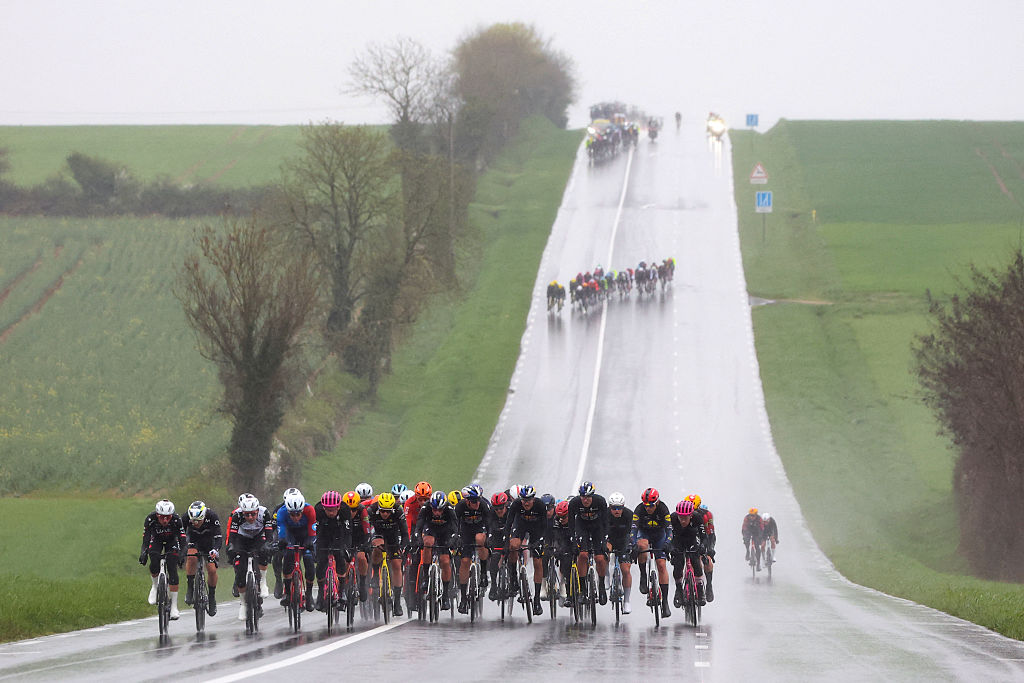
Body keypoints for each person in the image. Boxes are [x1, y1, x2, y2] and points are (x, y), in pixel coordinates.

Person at [226, 494, 274, 620]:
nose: (250, 517)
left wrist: (268, 544)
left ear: (257, 511)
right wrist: (231, 547)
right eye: (247, 515)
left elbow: (269, 533)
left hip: (258, 537)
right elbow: (232, 535)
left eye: (253, 514)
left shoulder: (264, 513)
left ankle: (262, 581)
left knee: (264, 552)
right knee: (240, 574)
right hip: (242, 539)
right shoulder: (237, 515)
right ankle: (243, 603)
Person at [140, 499, 186, 620]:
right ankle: (155, 586)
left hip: (172, 541)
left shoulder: (176, 520)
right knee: (153, 560)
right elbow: (146, 539)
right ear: (157, 515)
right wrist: (143, 552)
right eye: (162, 517)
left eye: (168, 517)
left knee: (172, 568)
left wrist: (182, 553)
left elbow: (182, 539)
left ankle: (174, 606)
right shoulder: (150, 519)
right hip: (156, 540)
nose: (165, 520)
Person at [506, 484, 548, 615]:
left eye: (528, 500)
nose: (526, 503)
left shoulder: (540, 505)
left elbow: (545, 526)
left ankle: (536, 599)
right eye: (523, 500)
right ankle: (513, 576)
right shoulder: (516, 505)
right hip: (520, 526)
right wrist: (506, 540)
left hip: (537, 529)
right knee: (513, 545)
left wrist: (541, 540)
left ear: (533, 499)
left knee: (537, 562)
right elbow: (509, 522)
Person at [568, 481, 610, 605]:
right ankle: (583, 590)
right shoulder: (575, 503)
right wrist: (574, 542)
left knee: (600, 558)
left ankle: (601, 587)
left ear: (592, 496)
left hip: (597, 528)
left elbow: (606, 522)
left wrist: (605, 540)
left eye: (588, 497)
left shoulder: (600, 501)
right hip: (582, 527)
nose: (585, 500)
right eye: (583, 497)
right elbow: (571, 524)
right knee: (583, 555)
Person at [367, 492, 409, 616]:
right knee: (377, 548)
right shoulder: (371, 510)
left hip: (393, 536)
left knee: (396, 564)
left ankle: (397, 602)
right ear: (378, 508)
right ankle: (375, 574)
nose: (385, 514)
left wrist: (404, 546)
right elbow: (366, 530)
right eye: (382, 511)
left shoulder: (398, 510)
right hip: (378, 534)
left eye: (388, 511)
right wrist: (368, 542)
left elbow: (405, 532)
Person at [416, 491, 459, 611]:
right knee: (427, 544)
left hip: (445, 533)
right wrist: (418, 539)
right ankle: (425, 577)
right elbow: (418, 527)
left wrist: (452, 541)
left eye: (440, 510)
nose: (437, 513)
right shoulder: (425, 508)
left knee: (445, 561)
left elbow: (456, 530)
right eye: (434, 510)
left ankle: (445, 595)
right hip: (431, 529)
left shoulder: (450, 510)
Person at [276, 488, 316, 611]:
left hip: (305, 534)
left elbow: (313, 530)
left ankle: (308, 594)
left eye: (298, 514)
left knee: (309, 558)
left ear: (302, 510)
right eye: (292, 514)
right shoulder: (281, 512)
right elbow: (282, 531)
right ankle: (287, 592)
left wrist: (310, 542)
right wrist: (282, 541)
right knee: (288, 555)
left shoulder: (310, 510)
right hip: (290, 534)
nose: (295, 517)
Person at [633, 487, 672, 615]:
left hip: (659, 535)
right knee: (642, 545)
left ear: (657, 503)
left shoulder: (663, 509)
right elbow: (633, 530)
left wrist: (667, 543)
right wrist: (632, 544)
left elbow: (669, 530)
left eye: (651, 505)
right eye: (646, 505)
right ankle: (643, 575)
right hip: (644, 534)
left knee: (661, 565)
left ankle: (665, 602)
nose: (648, 508)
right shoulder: (639, 510)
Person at [454, 486, 491, 613]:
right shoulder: (460, 507)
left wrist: (489, 537)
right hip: (466, 532)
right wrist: (456, 537)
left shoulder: (484, 505)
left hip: (480, 529)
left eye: (478, 500)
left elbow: (489, 523)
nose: (477, 503)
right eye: (474, 501)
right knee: (464, 562)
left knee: (481, 539)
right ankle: (463, 598)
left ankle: (483, 573)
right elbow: (454, 524)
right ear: (468, 501)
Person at [313, 491, 352, 611]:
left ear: (338, 507)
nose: (330, 512)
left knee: (340, 556)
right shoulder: (318, 510)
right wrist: (315, 547)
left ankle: (342, 591)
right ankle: (320, 593)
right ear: (323, 507)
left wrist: (346, 547)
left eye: (333, 509)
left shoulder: (345, 510)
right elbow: (316, 532)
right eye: (328, 510)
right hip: (323, 534)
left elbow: (348, 532)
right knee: (320, 563)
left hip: (339, 533)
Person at [184, 500, 221, 616]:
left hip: (208, 543)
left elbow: (218, 537)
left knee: (211, 570)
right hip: (193, 541)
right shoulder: (185, 517)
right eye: (193, 521)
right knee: (191, 557)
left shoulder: (212, 516)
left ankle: (212, 597)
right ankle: (190, 587)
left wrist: (215, 550)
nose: (195, 523)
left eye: (198, 520)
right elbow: (179, 535)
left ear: (204, 516)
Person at [670, 499, 707, 610]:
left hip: (692, 539)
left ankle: (700, 590)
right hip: (678, 540)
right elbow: (668, 535)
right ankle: (678, 589)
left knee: (696, 562)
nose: (682, 520)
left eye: (685, 517)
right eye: (680, 517)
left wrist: (703, 546)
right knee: (678, 565)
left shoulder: (697, 517)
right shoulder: (672, 518)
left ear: (691, 515)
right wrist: (671, 548)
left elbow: (703, 536)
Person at [606, 492, 636, 614]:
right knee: (605, 550)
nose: (617, 511)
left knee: (625, 570)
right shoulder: (605, 514)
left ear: (623, 507)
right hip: (610, 539)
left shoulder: (629, 514)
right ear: (610, 507)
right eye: (614, 508)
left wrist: (631, 545)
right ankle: (606, 574)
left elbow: (632, 532)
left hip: (624, 540)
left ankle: (627, 601)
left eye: (619, 508)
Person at [486, 491, 511, 600]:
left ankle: (514, 578)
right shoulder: (491, 512)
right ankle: (494, 586)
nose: (499, 511)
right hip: (496, 534)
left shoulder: (511, 511)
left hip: (509, 534)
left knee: (512, 552)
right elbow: (489, 527)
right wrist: (489, 538)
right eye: (496, 509)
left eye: (501, 508)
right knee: (495, 556)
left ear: (505, 505)